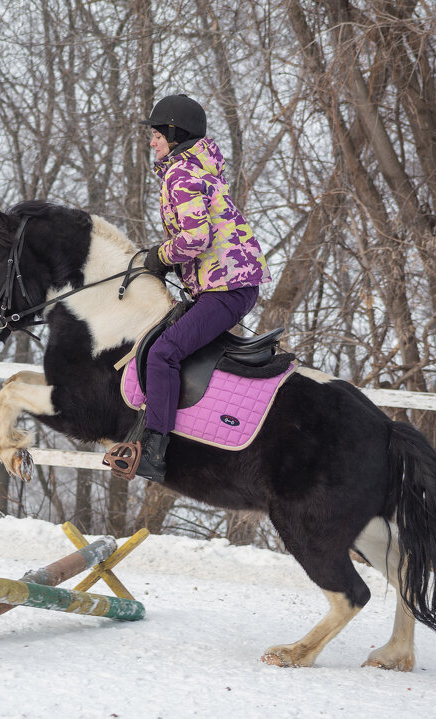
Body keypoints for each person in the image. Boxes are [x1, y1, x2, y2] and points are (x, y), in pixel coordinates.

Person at [111, 94, 270, 482]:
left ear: (173, 133)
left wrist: (159, 257)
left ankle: (154, 450)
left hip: (228, 288)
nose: (152, 142)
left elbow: (196, 238)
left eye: (156, 135)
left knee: (164, 352)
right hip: (225, 284)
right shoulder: (195, 168)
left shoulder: (182, 173)